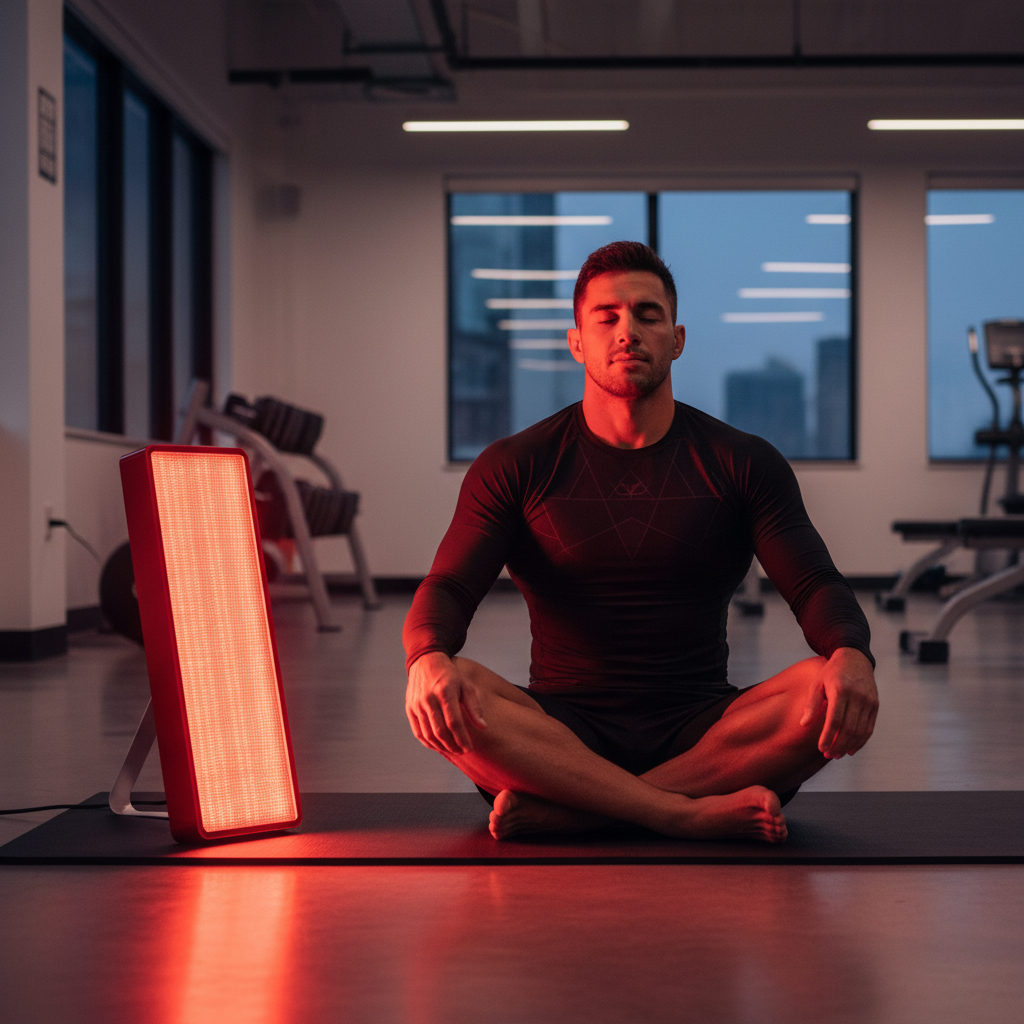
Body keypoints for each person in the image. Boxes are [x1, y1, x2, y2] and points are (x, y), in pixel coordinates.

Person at [403, 241, 878, 844]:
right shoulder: (515, 464)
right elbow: (448, 585)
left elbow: (815, 584)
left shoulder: (744, 462)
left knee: (823, 686)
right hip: (556, 734)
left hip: (707, 732)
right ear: (577, 341)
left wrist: (853, 656)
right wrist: (425, 658)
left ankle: (583, 811)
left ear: (677, 338)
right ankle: (679, 813)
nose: (628, 331)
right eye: (607, 317)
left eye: (648, 315)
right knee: (456, 688)